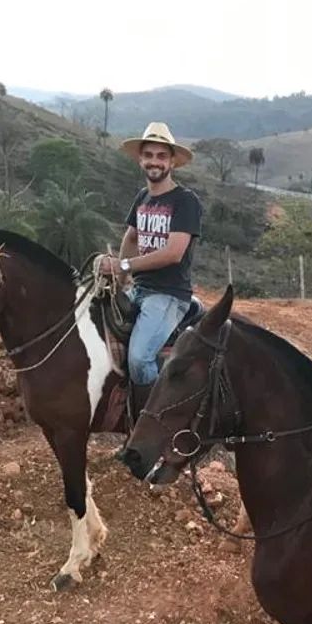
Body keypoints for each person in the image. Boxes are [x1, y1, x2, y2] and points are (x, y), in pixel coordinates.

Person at [100, 122, 203, 413]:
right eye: (149, 155)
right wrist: (119, 279)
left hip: (168, 295)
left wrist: (123, 264)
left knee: (139, 359)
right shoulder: (142, 198)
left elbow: (173, 253)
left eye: (161, 156)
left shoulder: (185, 201)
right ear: (140, 159)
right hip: (140, 289)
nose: (154, 161)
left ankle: (156, 425)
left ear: (172, 162)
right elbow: (131, 236)